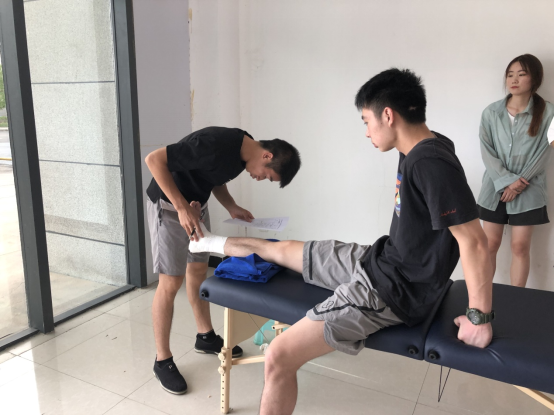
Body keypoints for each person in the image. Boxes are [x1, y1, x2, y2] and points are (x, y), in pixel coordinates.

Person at [190, 69, 495, 415]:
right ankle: (206, 242)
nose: (366, 131)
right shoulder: (422, 146)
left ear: (388, 115)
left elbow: (475, 242)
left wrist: (479, 319)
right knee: (282, 249)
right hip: (381, 260)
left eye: (366, 121)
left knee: (277, 355)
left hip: (393, 292)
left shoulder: (430, 162)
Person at [144, 126, 301, 395]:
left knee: (198, 270)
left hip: (195, 206)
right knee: (170, 282)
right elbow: (154, 160)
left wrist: (231, 206)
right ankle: (162, 360)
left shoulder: (242, 152)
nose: (260, 179)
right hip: (170, 206)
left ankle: (205, 336)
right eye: (267, 176)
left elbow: (214, 176)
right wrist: (181, 208)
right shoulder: (215, 144)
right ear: (267, 156)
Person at [477, 54, 554, 288]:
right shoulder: (491, 113)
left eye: (521, 74)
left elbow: (546, 152)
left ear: (535, 79)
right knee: (489, 244)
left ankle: (515, 300)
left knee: (520, 247)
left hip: (529, 189)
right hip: (494, 188)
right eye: (510, 74)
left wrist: (519, 183)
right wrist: (506, 181)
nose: (514, 79)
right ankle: (482, 300)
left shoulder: (549, 113)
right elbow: (487, 151)